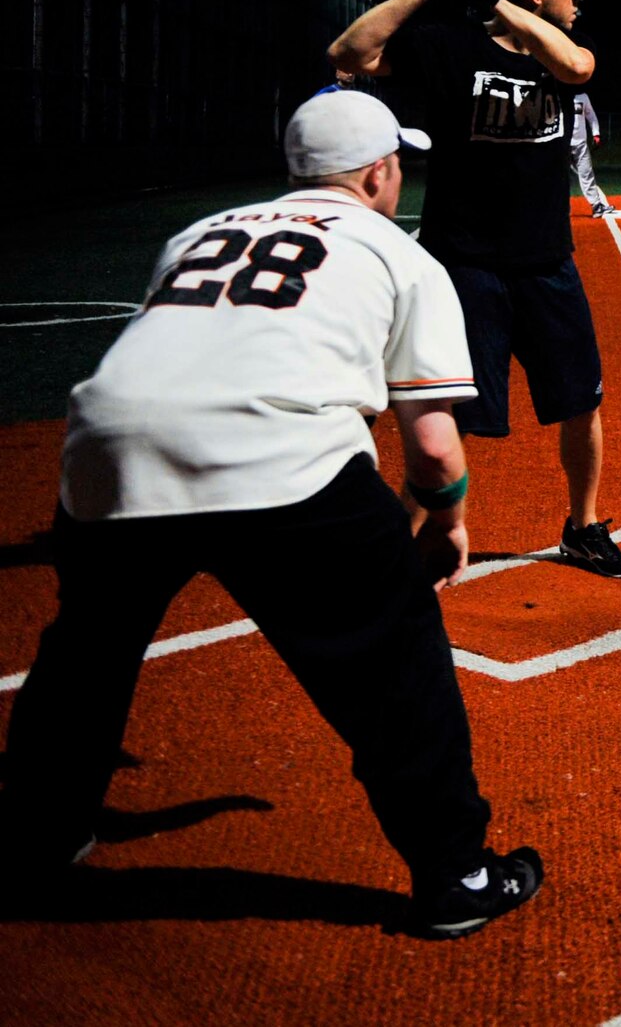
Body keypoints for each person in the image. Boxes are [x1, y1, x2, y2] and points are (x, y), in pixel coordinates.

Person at [0, 90, 541, 939]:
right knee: (397, 667)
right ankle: (458, 874)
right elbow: (434, 449)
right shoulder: (402, 256)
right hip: (282, 462)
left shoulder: (198, 233)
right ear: (377, 172)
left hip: (105, 452)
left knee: (85, 657)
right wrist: (444, 520)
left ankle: (37, 835)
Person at [329, 0, 621, 578]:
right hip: (464, 262)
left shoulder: (558, 58)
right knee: (453, 411)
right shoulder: (448, 46)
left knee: (581, 399)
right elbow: (348, 54)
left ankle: (582, 529)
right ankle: (399, 548)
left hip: (546, 260)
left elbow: (579, 68)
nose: (577, 1)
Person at [571, 90, 621, 220]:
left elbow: (591, 115)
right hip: (562, 144)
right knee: (555, 177)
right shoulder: (558, 94)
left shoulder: (583, 96)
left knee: (587, 173)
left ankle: (597, 206)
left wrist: (596, 133)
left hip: (580, 144)